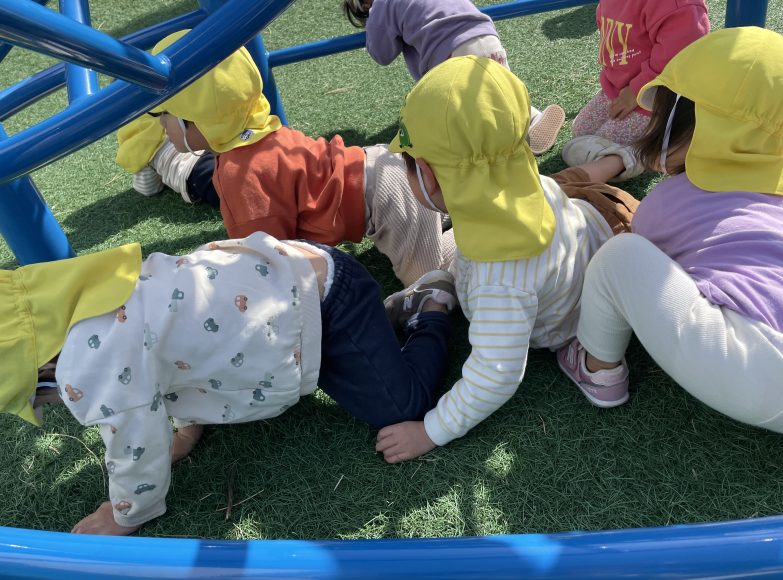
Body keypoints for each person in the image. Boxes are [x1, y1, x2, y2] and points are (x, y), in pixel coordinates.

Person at [1, 230, 460, 535]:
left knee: (401, 408)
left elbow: (133, 445)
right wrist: (189, 426)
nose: (52, 404)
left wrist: (121, 516)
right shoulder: (77, 301)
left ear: (43, 370)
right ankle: (381, 324)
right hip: (294, 282)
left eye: (41, 398)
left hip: (328, 308)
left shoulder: (89, 363)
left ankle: (429, 306)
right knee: (364, 365)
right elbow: (172, 355)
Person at [375, 56, 640, 463]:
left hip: (576, 314)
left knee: (564, 333)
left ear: (426, 174)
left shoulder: (498, 279)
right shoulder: (524, 180)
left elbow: (495, 376)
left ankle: (595, 366)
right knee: (564, 190)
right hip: (599, 230)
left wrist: (430, 430)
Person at [556, 26, 783, 430]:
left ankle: (597, 367)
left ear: (688, 126)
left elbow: (643, 264)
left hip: (759, 373)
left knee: (620, 257)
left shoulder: (670, 199)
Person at [116, 30, 454, 288]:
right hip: (386, 169)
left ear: (196, 120)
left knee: (430, 280)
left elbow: (271, 260)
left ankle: (474, 244)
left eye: (164, 117)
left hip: (388, 200)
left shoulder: (240, 174)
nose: (161, 126)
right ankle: (457, 212)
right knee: (439, 217)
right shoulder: (263, 130)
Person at [342, 0, 566, 155]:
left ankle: (496, 143)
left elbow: (381, 53)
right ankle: (532, 117)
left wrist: (374, 23)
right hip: (486, 36)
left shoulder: (382, 6)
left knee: (457, 115)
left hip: (451, 56)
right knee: (501, 90)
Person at [562, 0, 709, 180]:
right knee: (581, 131)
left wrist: (636, 91)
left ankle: (641, 153)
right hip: (619, 89)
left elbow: (682, 56)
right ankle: (640, 149)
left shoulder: (679, 5)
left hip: (657, 100)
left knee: (591, 152)